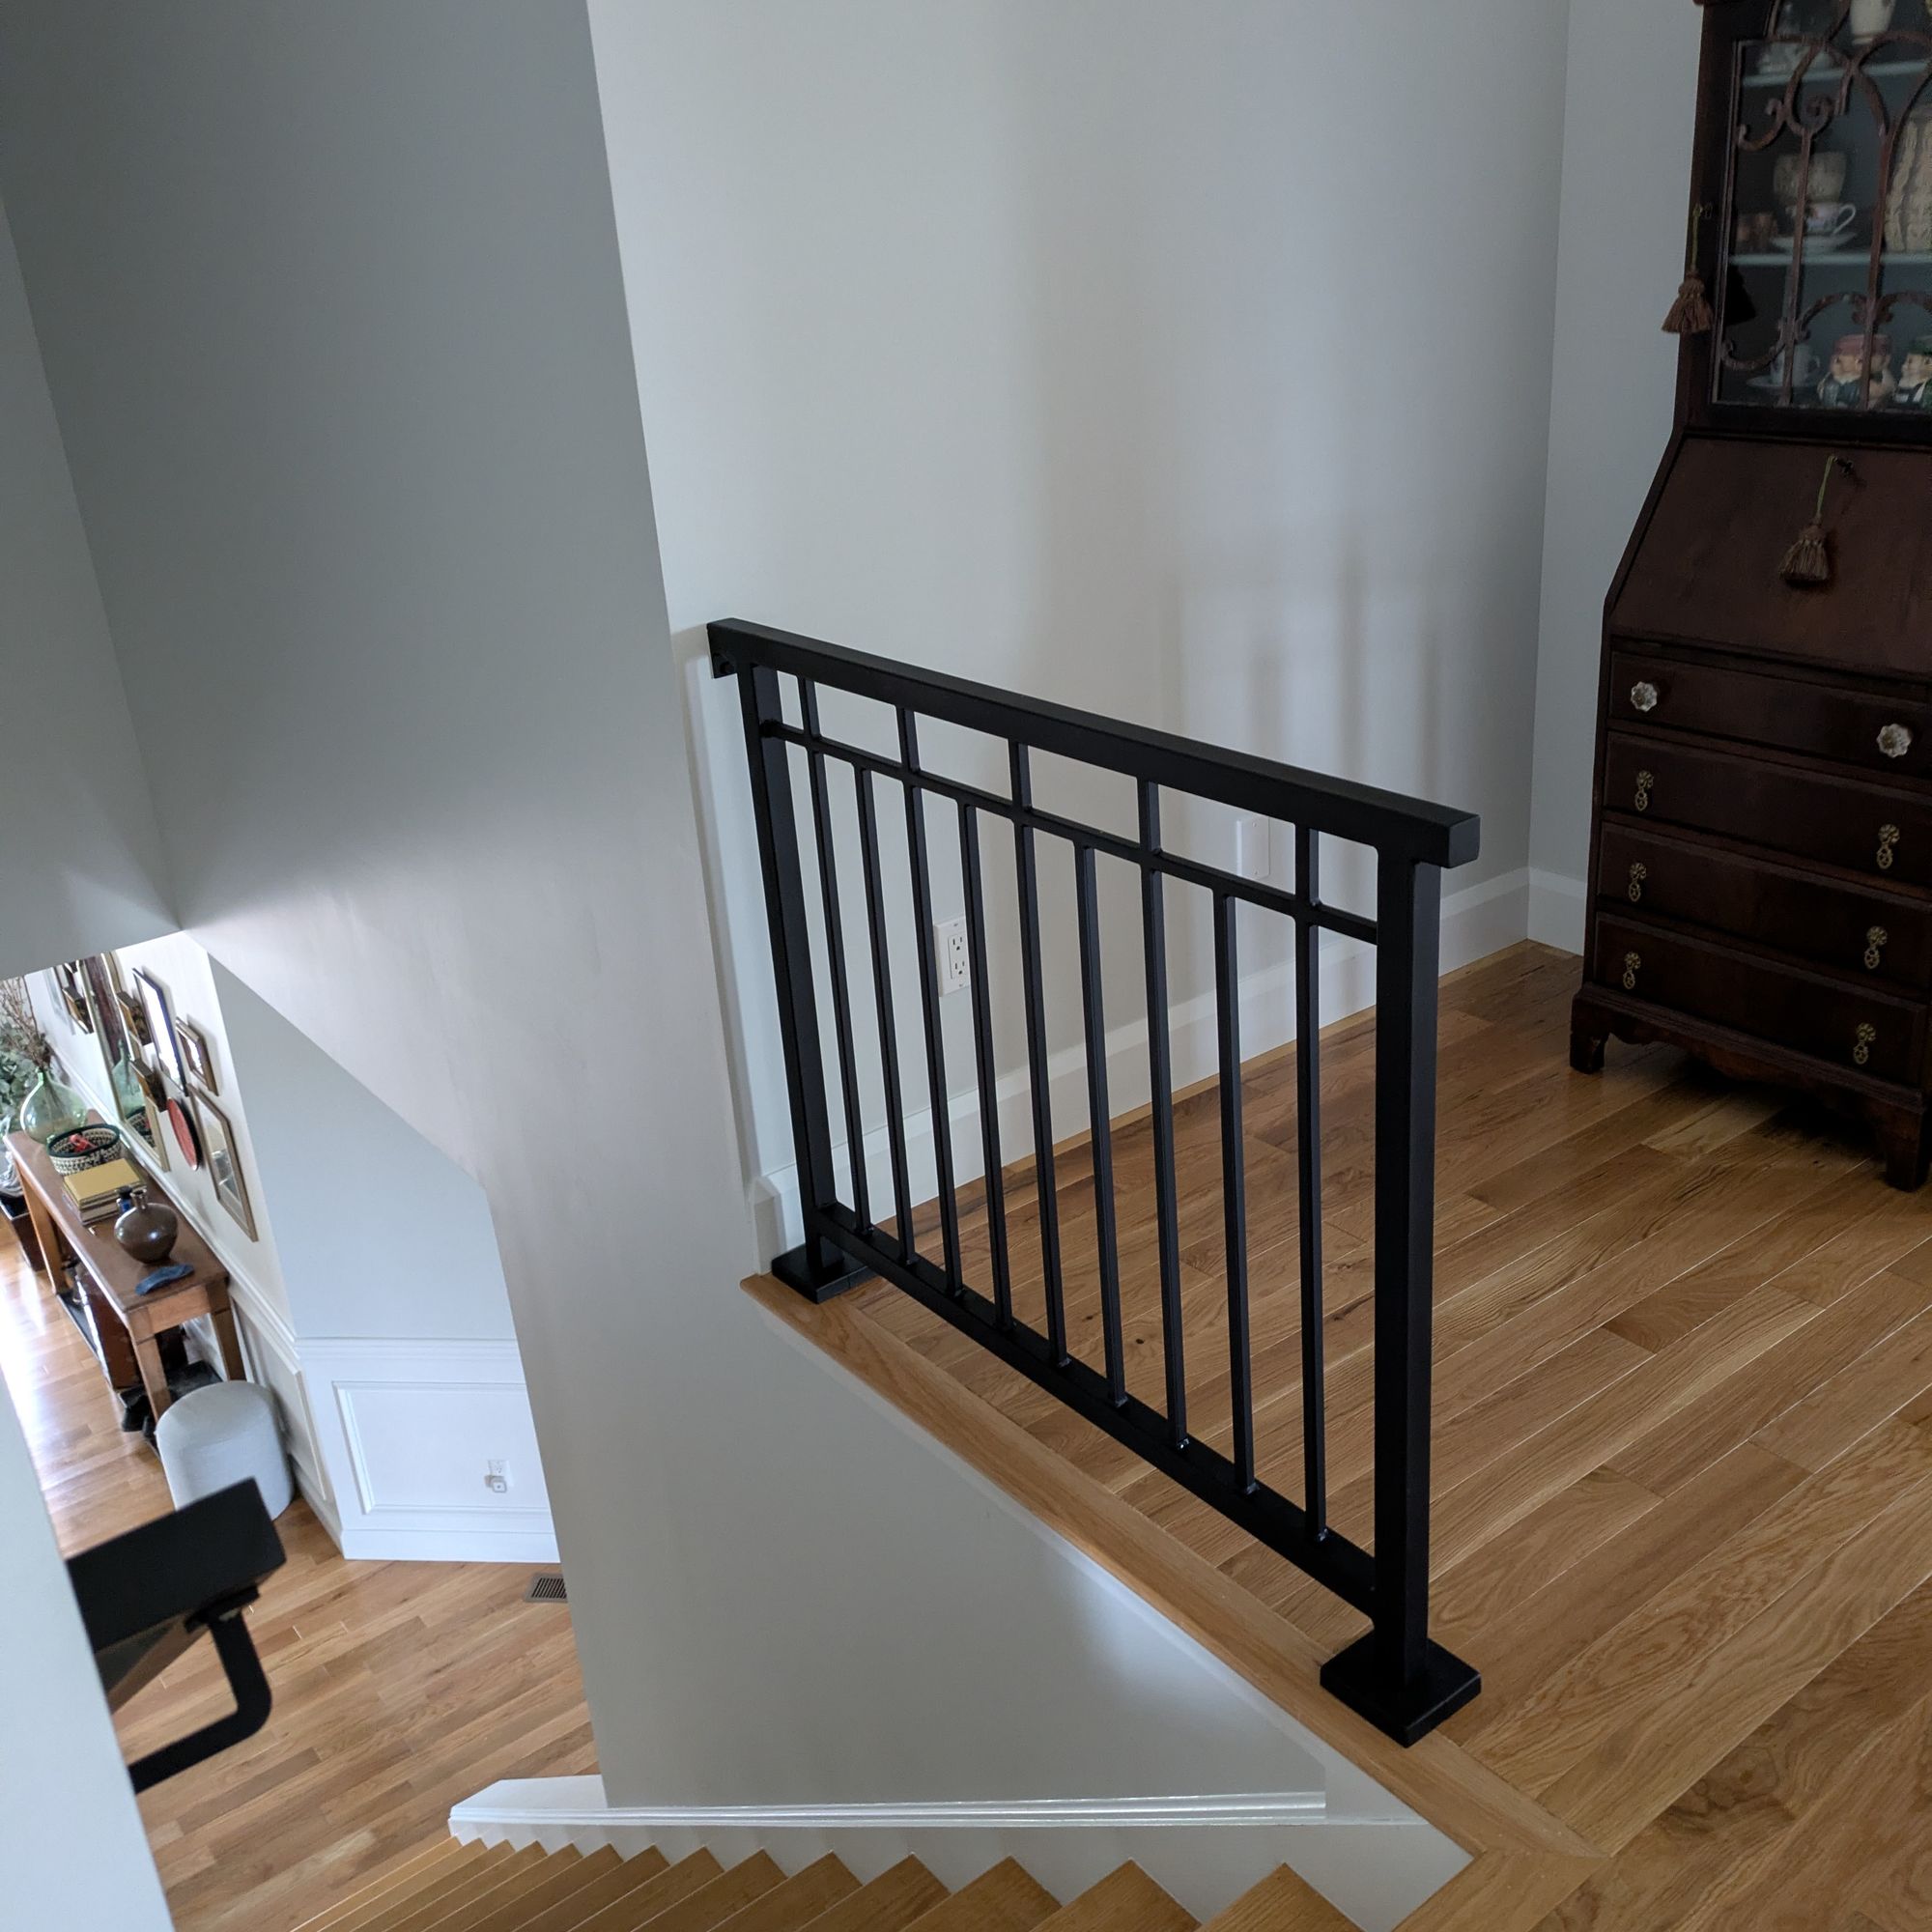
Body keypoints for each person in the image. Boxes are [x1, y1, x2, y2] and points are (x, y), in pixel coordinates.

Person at [1817, 331, 1895, 407]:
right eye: (1849, 352)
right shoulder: (1834, 375)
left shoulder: (1880, 375)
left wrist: (1859, 384)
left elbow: (1883, 390)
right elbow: (1821, 390)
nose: (1859, 356)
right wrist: (1837, 377)